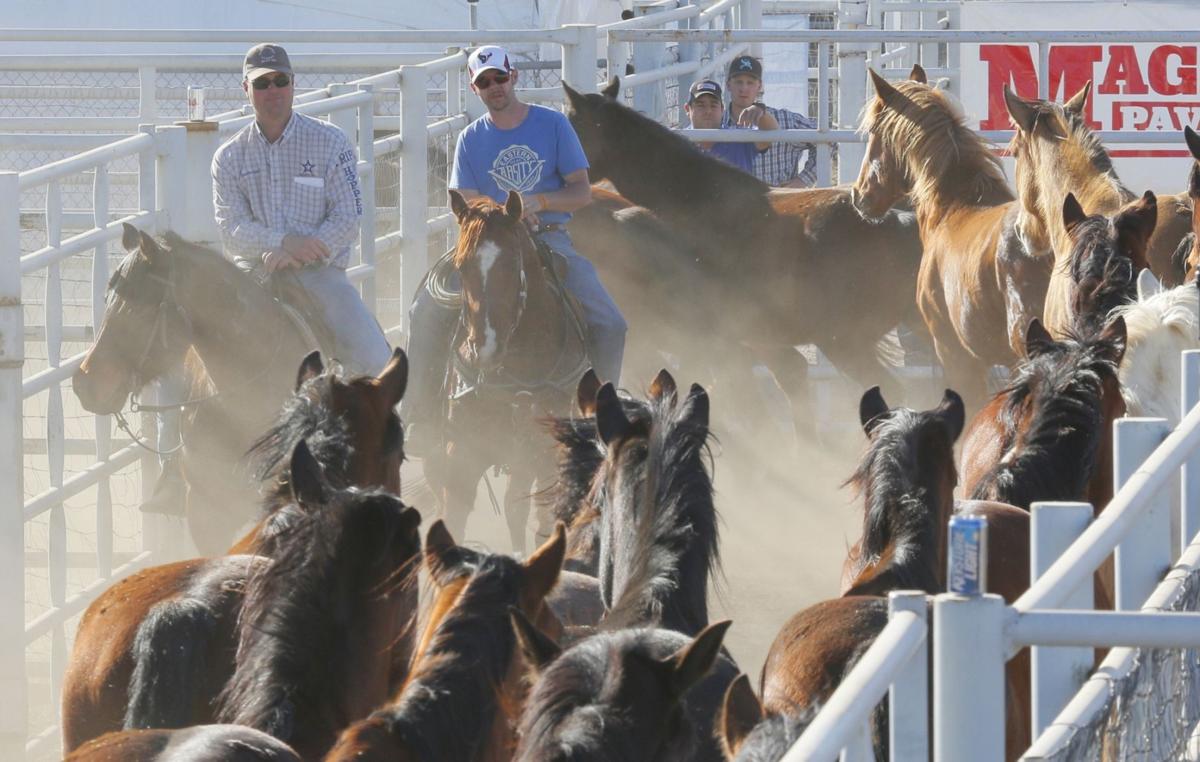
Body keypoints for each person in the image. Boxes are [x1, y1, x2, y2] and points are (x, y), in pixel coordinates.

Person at [402, 45, 627, 455]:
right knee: (425, 310)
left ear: (514, 77)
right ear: (475, 88)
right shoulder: (471, 138)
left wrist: (537, 205)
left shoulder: (553, 125)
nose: (494, 87)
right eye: (484, 82)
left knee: (611, 322)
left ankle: (600, 416)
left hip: (549, 238)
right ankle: (421, 415)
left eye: (499, 78)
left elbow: (580, 191)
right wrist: (504, 217)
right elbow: (466, 201)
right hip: (488, 241)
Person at [211, 42, 392, 377]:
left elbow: (348, 216)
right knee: (202, 358)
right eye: (262, 83)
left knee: (377, 364)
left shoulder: (331, 141)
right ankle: (177, 425)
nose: (273, 90)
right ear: (246, 89)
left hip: (321, 277)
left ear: (294, 83)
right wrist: (281, 242)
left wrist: (296, 253)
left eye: (280, 80)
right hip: (255, 278)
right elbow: (231, 228)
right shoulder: (229, 156)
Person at [722, 54, 822, 188]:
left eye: (750, 82)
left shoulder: (786, 120)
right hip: (731, 206)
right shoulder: (717, 122)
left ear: (759, 86)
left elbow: (829, 141)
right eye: (738, 81)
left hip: (780, 206)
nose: (744, 88)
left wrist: (803, 180)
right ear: (728, 85)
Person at [683, 79, 774, 174]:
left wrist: (761, 112)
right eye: (701, 105)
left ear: (722, 109)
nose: (708, 111)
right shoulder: (678, 142)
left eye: (713, 105)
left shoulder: (739, 139)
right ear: (687, 109)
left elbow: (771, 136)